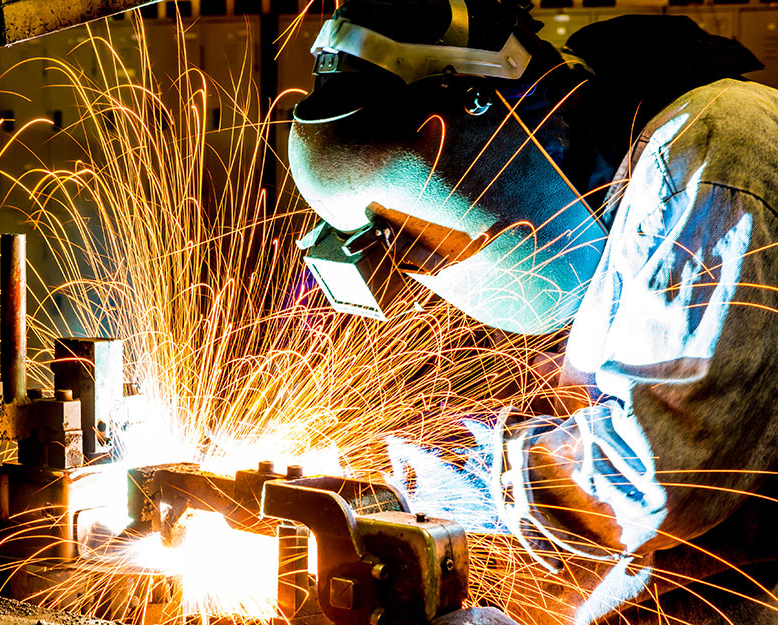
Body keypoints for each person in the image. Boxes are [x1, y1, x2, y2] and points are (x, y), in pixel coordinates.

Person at [287, 1, 778, 623]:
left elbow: (653, 478)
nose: (428, 263)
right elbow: (603, 411)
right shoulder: (628, 199)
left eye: (424, 233)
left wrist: (440, 473)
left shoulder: (712, 148)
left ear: (477, 121)